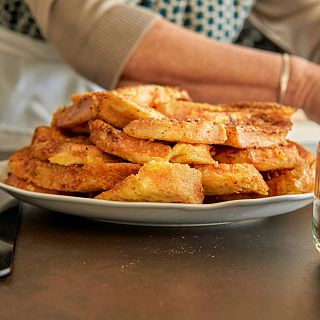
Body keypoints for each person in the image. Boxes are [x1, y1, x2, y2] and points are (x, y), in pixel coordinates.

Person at [0, 0, 319, 149]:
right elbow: (99, 30)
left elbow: (310, 16)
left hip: (188, 137)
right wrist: (300, 85)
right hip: (39, 128)